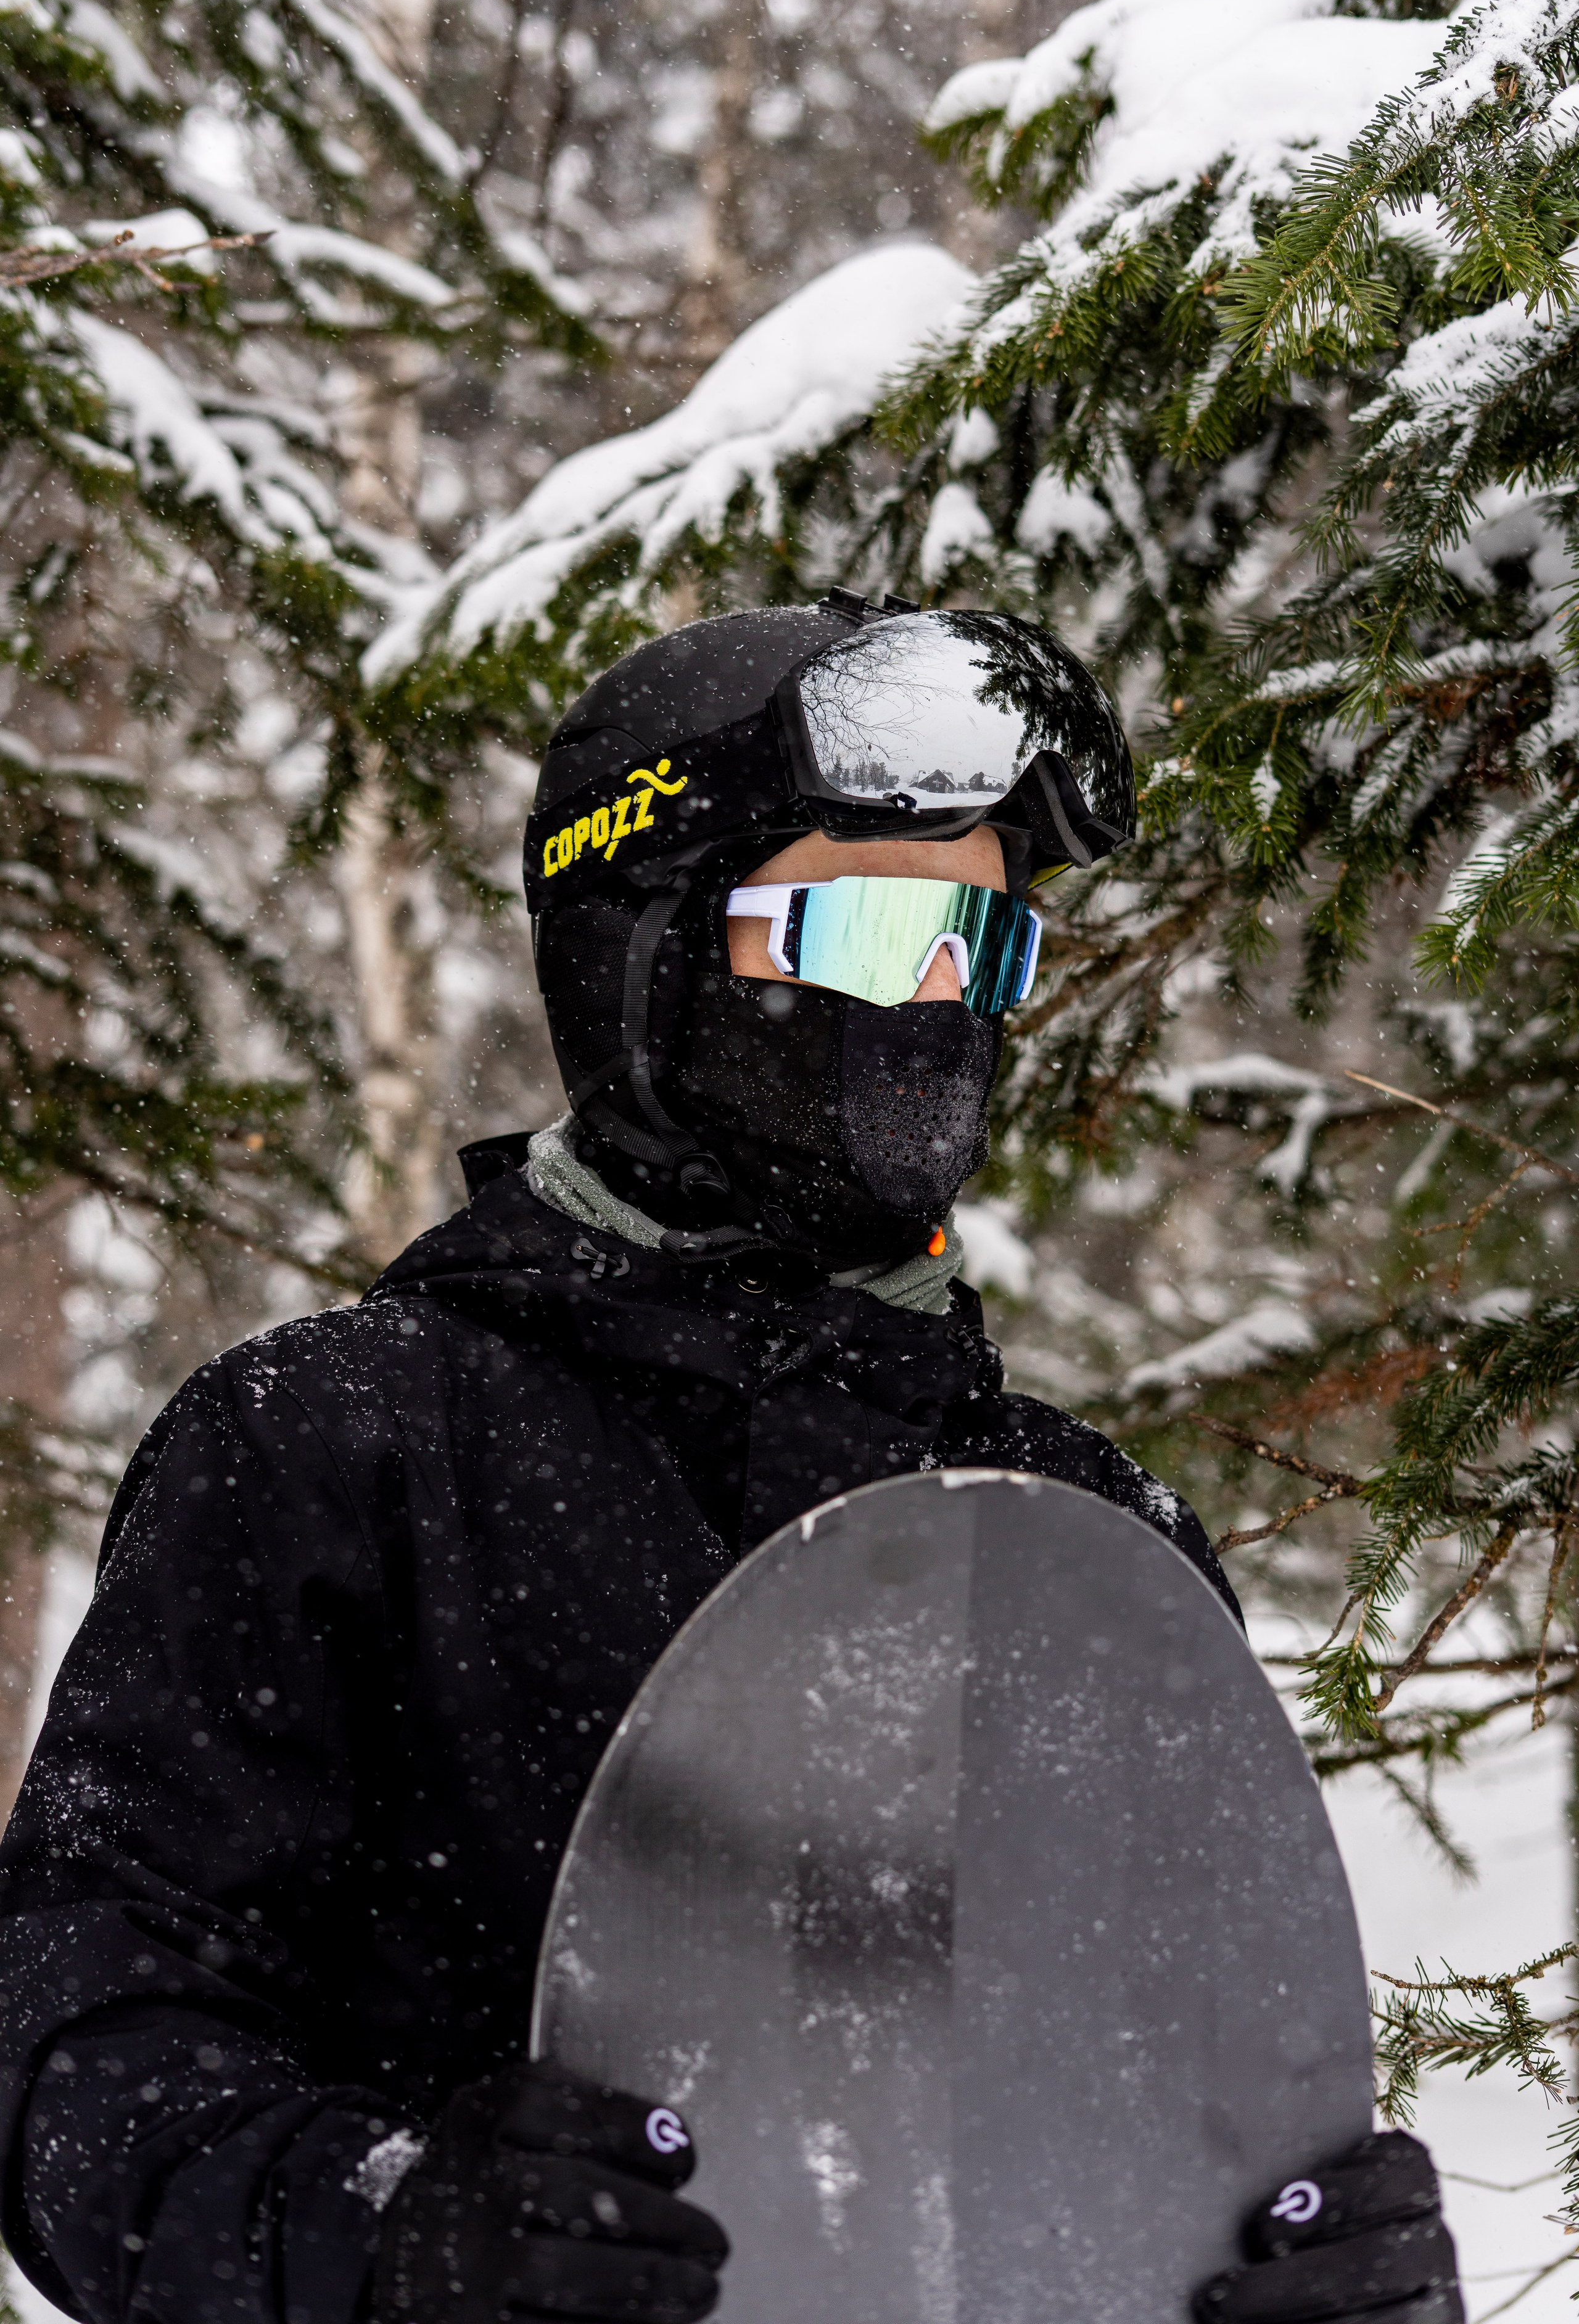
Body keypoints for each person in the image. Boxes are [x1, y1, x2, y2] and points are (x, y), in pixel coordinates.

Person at [0, 596, 1461, 2324]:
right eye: (857, 930)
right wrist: (380, 2235)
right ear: (648, 951)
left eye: (980, 949)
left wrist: (1330, 2268)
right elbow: (78, 2039)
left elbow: (1178, 2099)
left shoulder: (1083, 1529)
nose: (934, 1002)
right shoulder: (339, 1449)